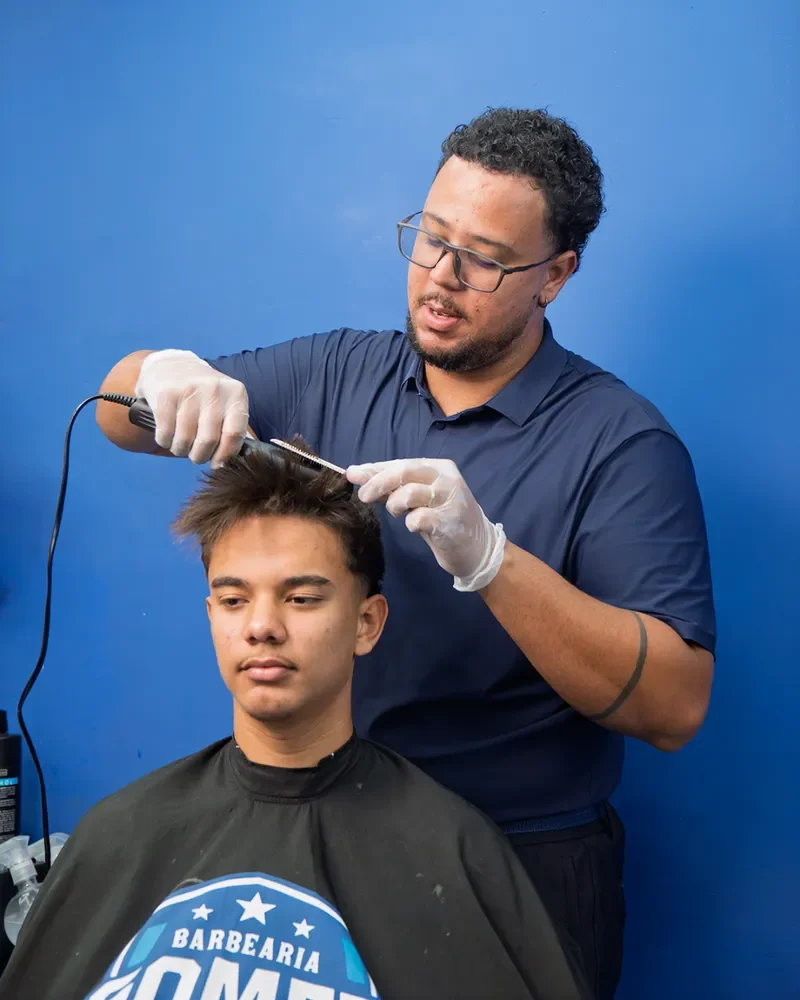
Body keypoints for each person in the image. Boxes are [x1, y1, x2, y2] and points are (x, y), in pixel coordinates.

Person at [95, 107, 716, 999]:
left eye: (486, 259)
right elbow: (119, 412)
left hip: (519, 858)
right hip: (331, 836)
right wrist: (159, 373)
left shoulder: (619, 444)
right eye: (429, 238)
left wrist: (494, 563)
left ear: (557, 276)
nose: (441, 278)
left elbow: (675, 708)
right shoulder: (336, 372)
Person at [0, 447, 589, 1000]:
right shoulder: (119, 833)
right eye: (233, 600)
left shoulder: (456, 853)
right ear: (211, 615)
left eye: (301, 598)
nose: (261, 627)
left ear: (367, 623)